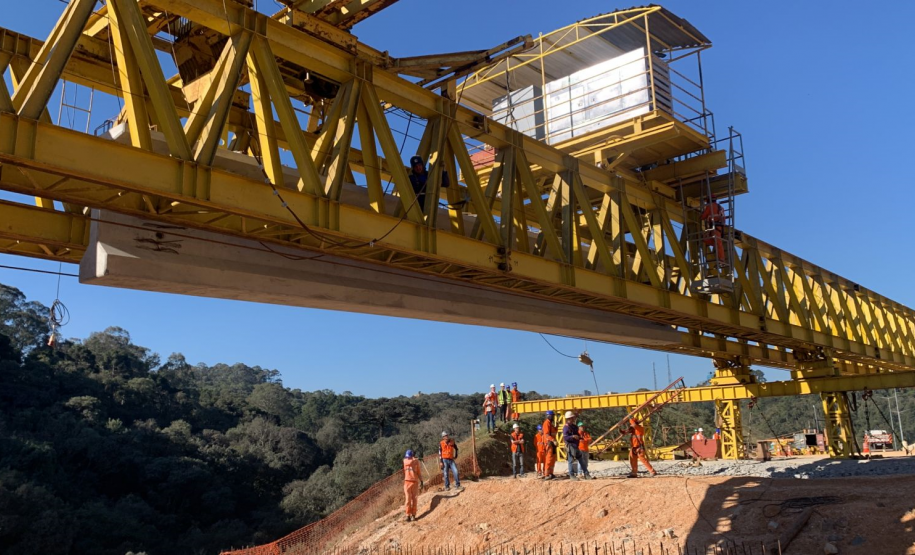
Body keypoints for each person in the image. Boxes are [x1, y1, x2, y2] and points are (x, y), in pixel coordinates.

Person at [701, 196, 726, 262]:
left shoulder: (710, 206)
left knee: (717, 243)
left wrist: (701, 214)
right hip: (719, 228)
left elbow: (703, 217)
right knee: (713, 241)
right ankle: (721, 258)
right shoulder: (721, 208)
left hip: (715, 227)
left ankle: (721, 259)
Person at [403, 449, 423, 522]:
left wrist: (421, 480)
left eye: (409, 456)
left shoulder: (416, 461)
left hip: (415, 482)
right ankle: (408, 515)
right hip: (407, 482)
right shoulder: (405, 461)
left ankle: (413, 515)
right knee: (408, 499)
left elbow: (419, 472)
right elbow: (410, 461)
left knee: (414, 499)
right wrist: (417, 458)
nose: (408, 458)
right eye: (407, 457)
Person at [562, 411, 582, 480]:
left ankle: (586, 473)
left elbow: (577, 434)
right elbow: (565, 437)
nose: (574, 418)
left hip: (575, 445)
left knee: (581, 459)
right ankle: (571, 475)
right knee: (570, 460)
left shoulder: (574, 427)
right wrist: (573, 436)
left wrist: (579, 437)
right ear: (569, 418)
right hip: (570, 446)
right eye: (573, 417)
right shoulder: (566, 427)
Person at [542, 411, 557, 480]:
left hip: (553, 443)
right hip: (549, 443)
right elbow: (547, 434)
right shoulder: (546, 423)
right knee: (549, 459)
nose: (553, 417)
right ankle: (547, 474)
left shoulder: (551, 424)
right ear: (549, 416)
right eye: (552, 416)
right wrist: (553, 440)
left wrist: (556, 427)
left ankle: (551, 473)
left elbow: (553, 432)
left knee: (553, 459)